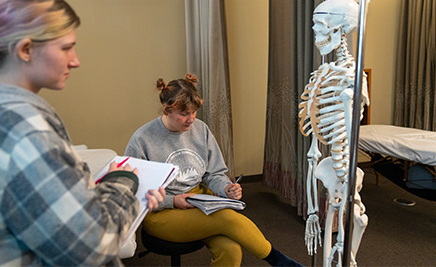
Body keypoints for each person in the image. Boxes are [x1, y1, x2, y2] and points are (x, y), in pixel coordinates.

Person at [0, 0, 165, 266]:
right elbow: (91, 244)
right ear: (25, 49)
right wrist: (122, 183)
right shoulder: (26, 130)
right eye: (66, 48)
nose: (75, 61)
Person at [125, 74, 304, 267]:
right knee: (226, 218)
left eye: (194, 112)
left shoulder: (201, 129)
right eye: (184, 114)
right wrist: (173, 200)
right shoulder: (142, 139)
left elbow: (214, 174)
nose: (191, 119)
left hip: (200, 203)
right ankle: (280, 262)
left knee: (231, 250)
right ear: (167, 109)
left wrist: (226, 188)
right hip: (162, 212)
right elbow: (133, 193)